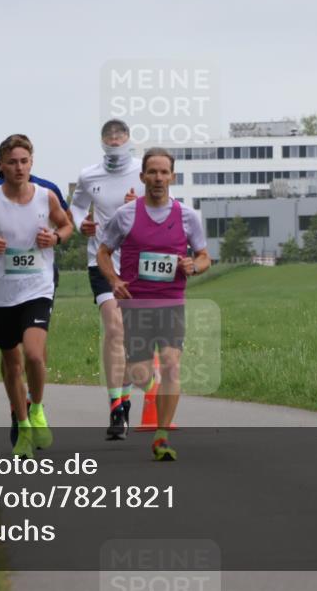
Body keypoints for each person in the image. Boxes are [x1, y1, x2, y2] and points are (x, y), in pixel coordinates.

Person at [0, 134, 72, 459]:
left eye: (24, 161)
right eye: (12, 162)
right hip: (3, 291)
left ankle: (36, 409)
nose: (19, 167)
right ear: (0, 166)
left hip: (38, 285)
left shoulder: (47, 196)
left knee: (34, 354)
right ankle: (21, 424)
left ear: (31, 162)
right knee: (11, 363)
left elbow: (66, 225)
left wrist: (56, 238)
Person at [97, 147, 210, 461]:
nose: (158, 178)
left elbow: (204, 256)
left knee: (172, 364)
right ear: (143, 176)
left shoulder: (188, 216)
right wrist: (114, 281)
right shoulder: (126, 215)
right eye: (153, 172)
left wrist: (194, 266)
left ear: (172, 177)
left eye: (164, 172)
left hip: (172, 302)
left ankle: (161, 436)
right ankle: (141, 392)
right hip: (136, 304)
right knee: (140, 373)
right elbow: (103, 252)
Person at [69, 118, 143, 440]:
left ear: (128, 139)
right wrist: (80, 225)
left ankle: (125, 401)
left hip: (136, 264)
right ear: (102, 141)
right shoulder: (89, 175)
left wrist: (135, 208)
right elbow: (75, 209)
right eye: (109, 136)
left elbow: (163, 211)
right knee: (114, 330)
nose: (114, 140)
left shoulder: (145, 172)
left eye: (120, 135)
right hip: (101, 262)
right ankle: (116, 407)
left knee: (128, 338)